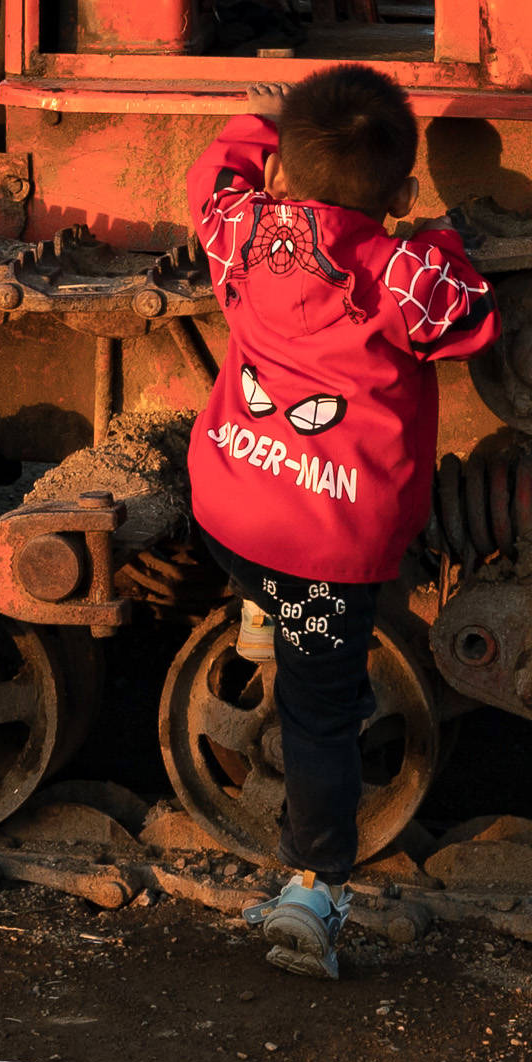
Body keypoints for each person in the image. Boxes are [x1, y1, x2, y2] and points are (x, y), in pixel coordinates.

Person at [183, 63, 497, 980]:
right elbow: (470, 319)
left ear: (279, 175)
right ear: (398, 193)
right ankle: (314, 894)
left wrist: (261, 125)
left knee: (253, 565)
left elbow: (215, 173)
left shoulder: (241, 232)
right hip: (330, 554)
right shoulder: (400, 272)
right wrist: (440, 238)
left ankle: (257, 608)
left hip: (232, 511)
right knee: (321, 717)